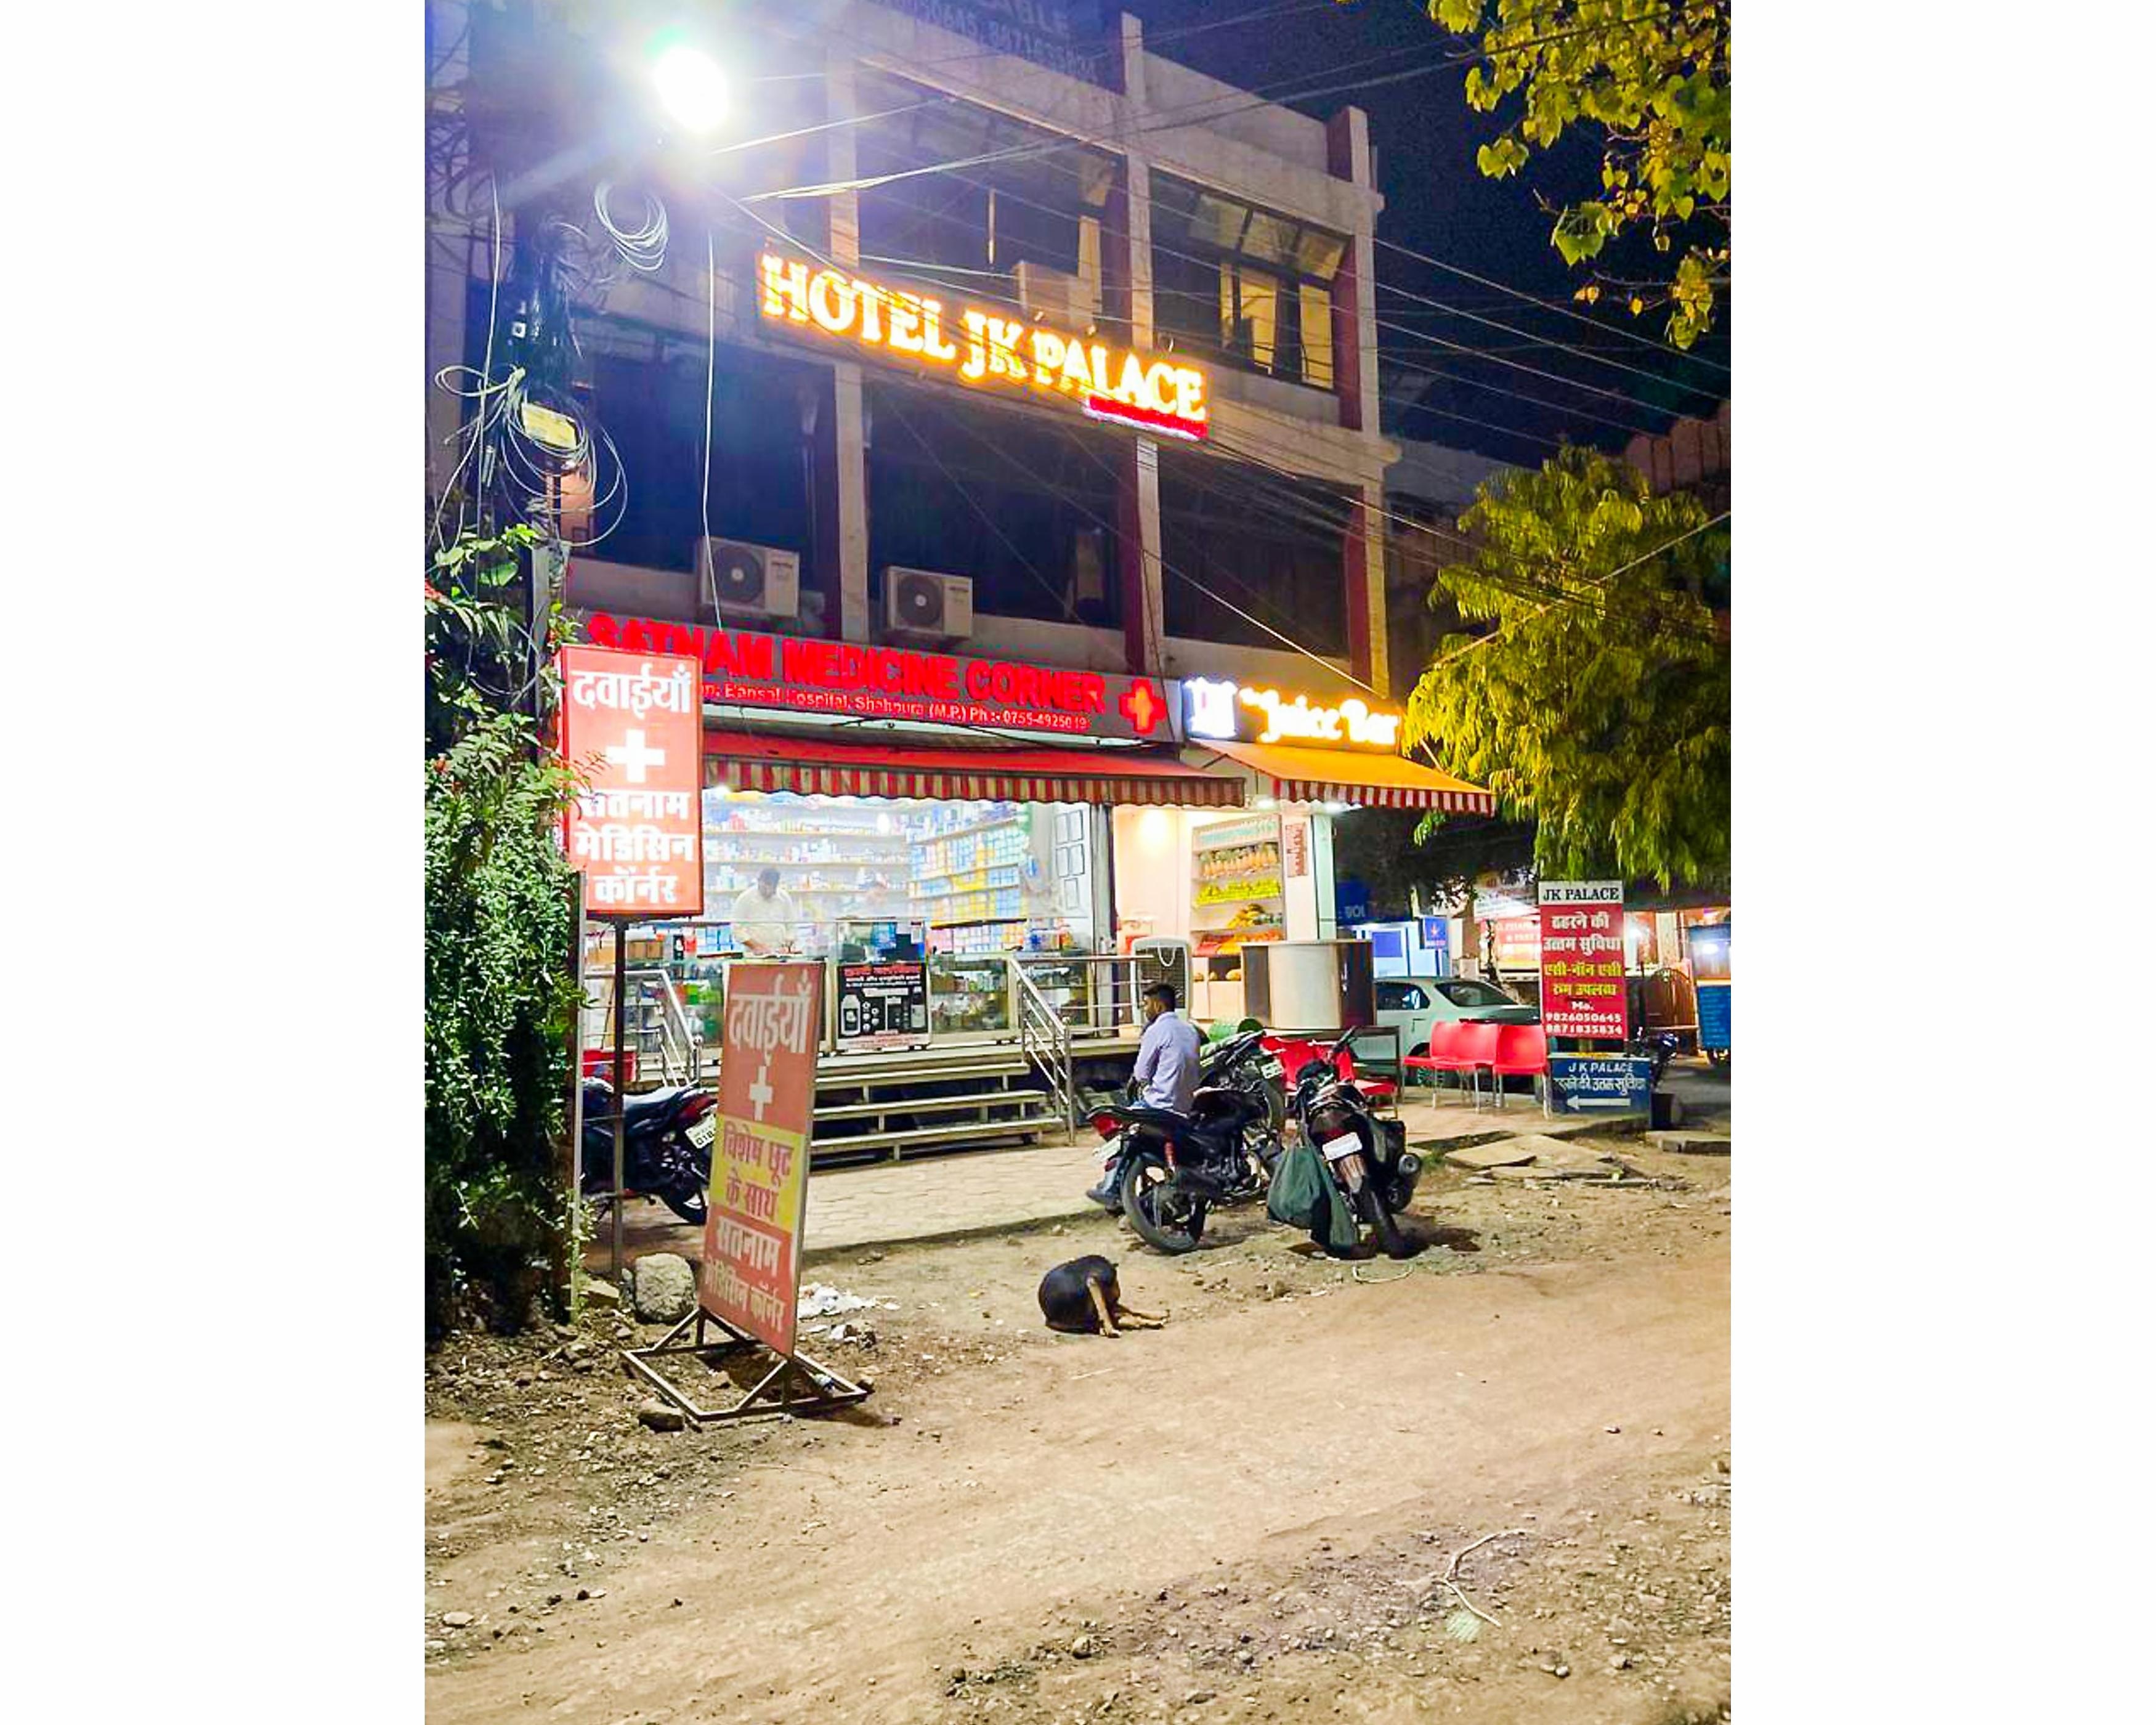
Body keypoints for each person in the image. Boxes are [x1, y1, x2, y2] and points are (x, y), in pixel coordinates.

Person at [1087, 983, 1202, 1208]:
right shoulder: (1191, 1030)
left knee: (1121, 1131)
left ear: (1158, 1006)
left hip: (1159, 1104)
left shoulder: (1156, 1031)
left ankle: (1111, 1188)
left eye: (1146, 1004)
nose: (1144, 1009)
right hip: (1185, 1106)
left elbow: (1141, 1074)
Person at [731, 867, 799, 956]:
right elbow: (737, 929)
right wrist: (756, 946)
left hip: (780, 953)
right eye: (764, 887)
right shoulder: (746, 898)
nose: (768, 891)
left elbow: (791, 926)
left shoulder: (784, 898)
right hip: (755, 953)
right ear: (759, 881)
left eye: (771, 887)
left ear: (776, 885)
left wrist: (788, 944)